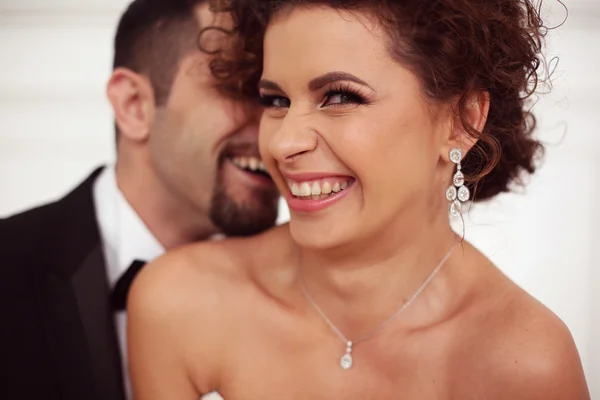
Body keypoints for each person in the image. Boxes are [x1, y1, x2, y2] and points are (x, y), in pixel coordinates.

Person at [128, 0, 590, 399]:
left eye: (339, 96)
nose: (284, 143)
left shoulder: (526, 363)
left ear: (462, 121)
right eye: (276, 101)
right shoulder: (179, 303)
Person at [0, 0, 279, 399]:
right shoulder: (9, 267)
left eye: (276, 98)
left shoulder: (320, 288)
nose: (279, 135)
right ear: (134, 106)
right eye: (236, 86)